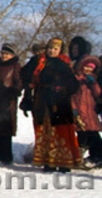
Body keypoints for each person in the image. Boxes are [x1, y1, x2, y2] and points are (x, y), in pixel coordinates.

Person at [27, 37, 82, 172]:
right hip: (43, 101)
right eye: (50, 48)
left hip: (59, 103)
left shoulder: (63, 65)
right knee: (45, 131)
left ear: (60, 50)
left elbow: (74, 85)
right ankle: (48, 162)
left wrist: (61, 89)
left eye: (55, 49)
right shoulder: (40, 63)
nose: (52, 51)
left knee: (60, 131)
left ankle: (63, 163)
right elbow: (25, 75)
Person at [71, 56, 102, 168]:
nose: (88, 70)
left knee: (93, 134)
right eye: (86, 67)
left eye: (91, 68)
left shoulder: (92, 80)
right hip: (80, 111)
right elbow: (71, 95)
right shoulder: (76, 79)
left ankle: (97, 156)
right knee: (82, 134)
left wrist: (93, 83)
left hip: (90, 112)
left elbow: (98, 94)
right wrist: (73, 109)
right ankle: (77, 157)